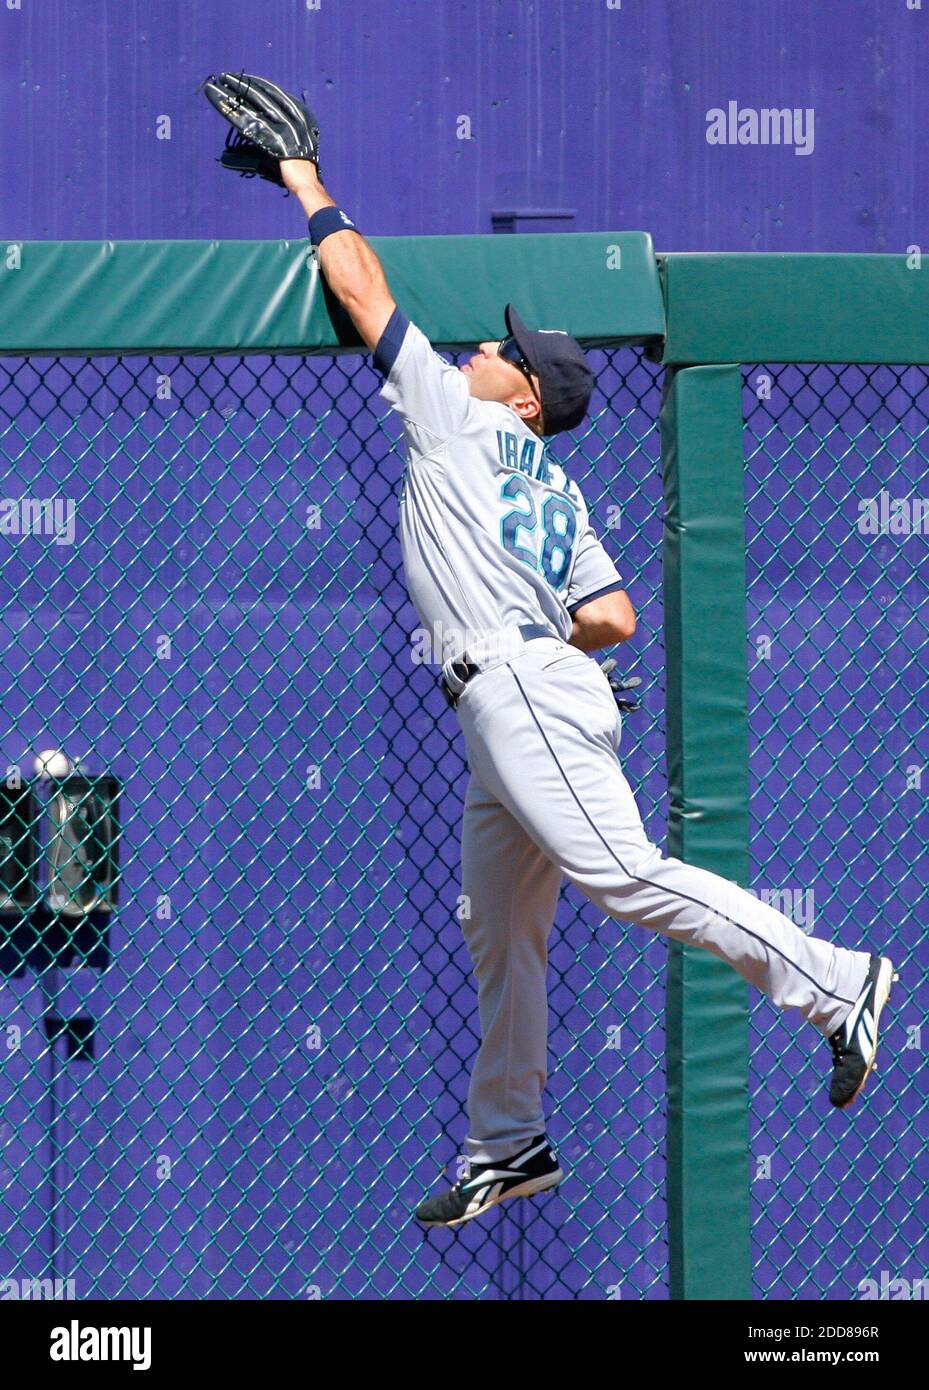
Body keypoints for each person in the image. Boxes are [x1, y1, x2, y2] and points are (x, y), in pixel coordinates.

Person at [272, 151, 895, 1232]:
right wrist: (532, 622)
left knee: (621, 876)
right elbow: (612, 617)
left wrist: (303, 182)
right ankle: (507, 1140)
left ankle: (834, 980)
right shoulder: (555, 482)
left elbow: (359, 285)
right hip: (518, 696)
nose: (476, 348)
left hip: (519, 691)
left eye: (498, 350)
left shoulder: (456, 417)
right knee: (502, 930)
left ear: (521, 393)